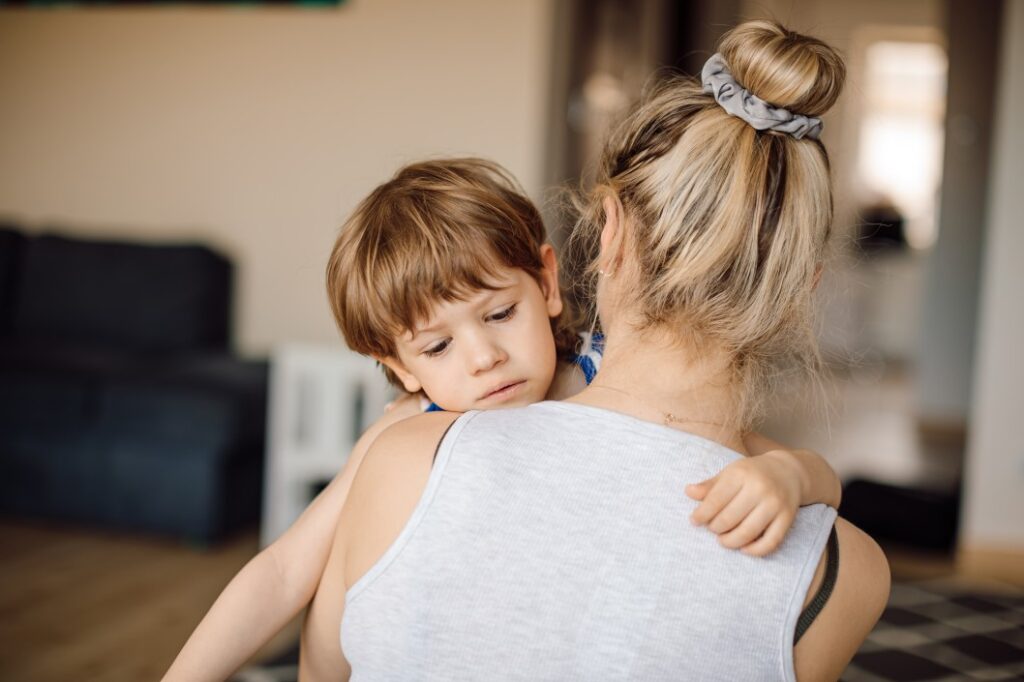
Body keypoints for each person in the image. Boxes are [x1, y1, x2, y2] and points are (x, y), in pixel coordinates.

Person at [302, 20, 890, 682]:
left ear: (608, 232)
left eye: (496, 313)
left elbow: (321, 671)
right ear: (799, 292)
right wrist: (806, 476)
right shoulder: (846, 570)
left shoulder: (406, 456)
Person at [162, 159, 841, 682]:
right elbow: (282, 572)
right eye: (437, 347)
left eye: (498, 314)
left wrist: (789, 473)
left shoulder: (612, 379)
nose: (484, 358)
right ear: (397, 365)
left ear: (546, 283)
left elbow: (788, 468)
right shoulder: (407, 434)